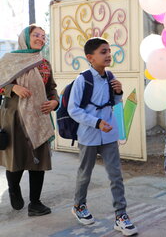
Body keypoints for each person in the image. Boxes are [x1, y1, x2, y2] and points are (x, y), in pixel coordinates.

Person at [68, 37, 137, 236]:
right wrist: (96, 122)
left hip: (109, 135)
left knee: (116, 176)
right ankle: (79, 206)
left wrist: (119, 92)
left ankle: (121, 216)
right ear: (90, 57)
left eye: (109, 51)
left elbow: (113, 102)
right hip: (89, 135)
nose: (108, 55)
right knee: (85, 174)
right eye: (103, 52)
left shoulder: (110, 77)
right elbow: (73, 110)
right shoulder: (83, 80)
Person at [0, 25, 58, 216]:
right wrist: (12, 89)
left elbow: (52, 88)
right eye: (36, 35)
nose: (41, 38)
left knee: (38, 160)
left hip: (39, 117)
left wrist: (54, 102)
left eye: (43, 36)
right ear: (25, 37)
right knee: (16, 157)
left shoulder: (44, 63)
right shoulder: (9, 60)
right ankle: (14, 187)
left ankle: (35, 203)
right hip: (15, 117)